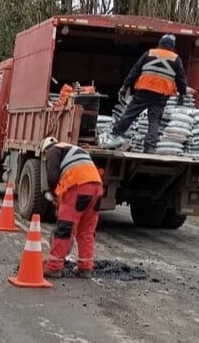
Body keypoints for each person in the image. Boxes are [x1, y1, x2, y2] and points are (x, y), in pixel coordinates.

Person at [105, 34, 189, 153]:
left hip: (144, 90)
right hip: (161, 94)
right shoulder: (176, 58)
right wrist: (182, 93)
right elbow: (181, 77)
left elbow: (135, 70)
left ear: (160, 43)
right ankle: (150, 146)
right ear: (172, 46)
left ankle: (115, 135)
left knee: (130, 113)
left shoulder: (149, 53)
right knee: (154, 120)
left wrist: (125, 85)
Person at [39, 137, 103, 279]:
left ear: (45, 150)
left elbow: (52, 177)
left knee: (64, 229)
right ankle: (85, 268)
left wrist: (54, 194)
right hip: (97, 188)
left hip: (77, 186)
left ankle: (54, 268)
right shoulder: (73, 149)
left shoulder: (53, 150)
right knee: (86, 230)